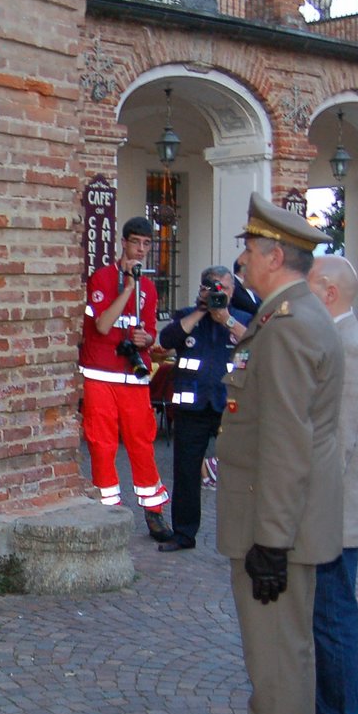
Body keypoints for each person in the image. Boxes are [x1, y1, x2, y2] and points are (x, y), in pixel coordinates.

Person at [204, 192, 343, 714]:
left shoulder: (289, 328)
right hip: (276, 516)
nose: (240, 260)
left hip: (275, 521)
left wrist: (272, 541)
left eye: (248, 250)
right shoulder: (292, 317)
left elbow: (287, 443)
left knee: (278, 659)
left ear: (274, 256)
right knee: (281, 654)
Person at [306, 256, 358, 714]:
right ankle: (330, 710)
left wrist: (304, 514)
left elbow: (336, 443)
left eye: (308, 285)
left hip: (336, 509)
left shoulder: (349, 348)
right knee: (326, 613)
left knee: (333, 615)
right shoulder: (336, 341)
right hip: (329, 507)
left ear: (329, 292)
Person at [79, 216, 174, 541]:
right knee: (102, 442)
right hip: (100, 374)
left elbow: (149, 331)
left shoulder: (148, 287)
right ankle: (110, 511)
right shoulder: (103, 278)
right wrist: (128, 287)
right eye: (137, 243)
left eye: (147, 245)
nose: (142, 250)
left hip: (134, 376)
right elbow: (103, 326)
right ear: (124, 243)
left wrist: (145, 340)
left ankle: (154, 510)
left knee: (142, 442)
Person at [156, 265, 251, 552]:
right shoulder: (187, 316)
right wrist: (200, 310)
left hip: (230, 408)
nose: (217, 294)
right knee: (186, 472)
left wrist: (227, 319)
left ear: (233, 291)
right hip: (192, 407)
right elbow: (167, 340)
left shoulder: (243, 318)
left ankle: (243, 536)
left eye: (222, 288)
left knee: (239, 475)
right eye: (211, 287)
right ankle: (184, 533)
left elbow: (257, 346)